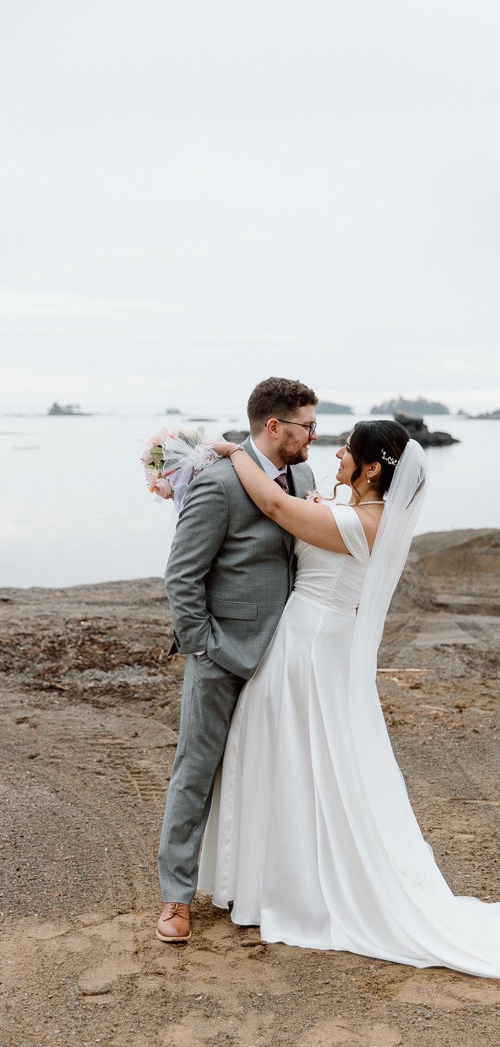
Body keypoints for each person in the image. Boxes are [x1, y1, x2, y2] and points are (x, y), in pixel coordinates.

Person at [196, 420, 500, 988]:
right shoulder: (359, 514)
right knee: (292, 760)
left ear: (372, 468)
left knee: (300, 763)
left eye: (347, 450)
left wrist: (233, 451)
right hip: (309, 644)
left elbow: (273, 505)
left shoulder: (364, 523)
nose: (336, 454)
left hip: (311, 652)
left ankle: (294, 891)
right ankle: (271, 882)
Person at [156, 376, 318, 942]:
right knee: (196, 773)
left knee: (275, 773)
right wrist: (203, 645)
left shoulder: (305, 478)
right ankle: (176, 898)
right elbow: (182, 575)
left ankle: (260, 886)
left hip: (285, 657)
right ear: (274, 426)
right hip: (223, 654)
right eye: (307, 426)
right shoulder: (219, 483)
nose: (314, 437)